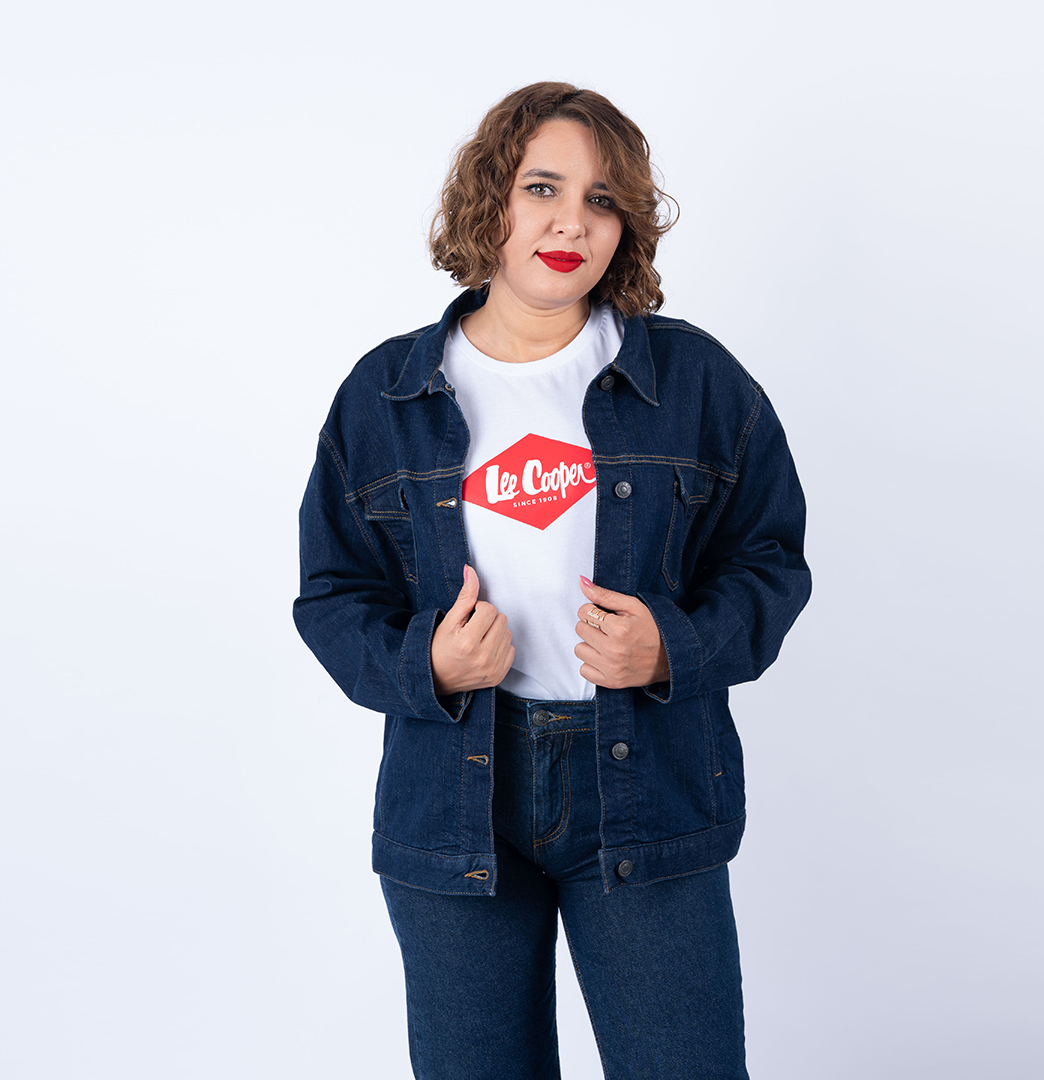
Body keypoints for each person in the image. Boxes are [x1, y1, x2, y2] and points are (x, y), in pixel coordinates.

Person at [293, 82, 810, 1080]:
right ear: (488, 198)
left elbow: (770, 561)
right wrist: (426, 664)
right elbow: (332, 594)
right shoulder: (385, 395)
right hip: (454, 796)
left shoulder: (695, 381)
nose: (573, 221)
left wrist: (672, 646)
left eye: (603, 199)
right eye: (543, 187)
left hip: (649, 783)